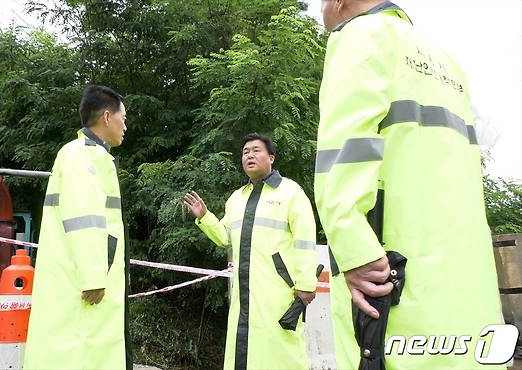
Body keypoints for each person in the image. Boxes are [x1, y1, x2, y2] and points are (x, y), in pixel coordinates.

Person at [314, 1, 503, 368]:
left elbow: (347, 152)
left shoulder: (359, 36)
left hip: (392, 283)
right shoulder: (448, 62)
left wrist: (354, 251)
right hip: (468, 290)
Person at [184, 133, 318, 370]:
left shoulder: (290, 192)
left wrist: (306, 284)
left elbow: (305, 240)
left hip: (279, 292)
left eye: (256, 150)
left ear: (272, 158)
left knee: (281, 350)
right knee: (244, 350)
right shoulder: (237, 198)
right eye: (245, 152)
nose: (249, 155)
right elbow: (226, 237)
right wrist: (205, 217)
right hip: (244, 293)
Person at [24, 85, 131, 369]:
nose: (125, 125)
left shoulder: (88, 155)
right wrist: (94, 276)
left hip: (79, 279)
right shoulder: (83, 155)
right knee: (80, 353)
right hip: (82, 283)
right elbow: (83, 217)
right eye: (123, 117)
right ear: (107, 117)